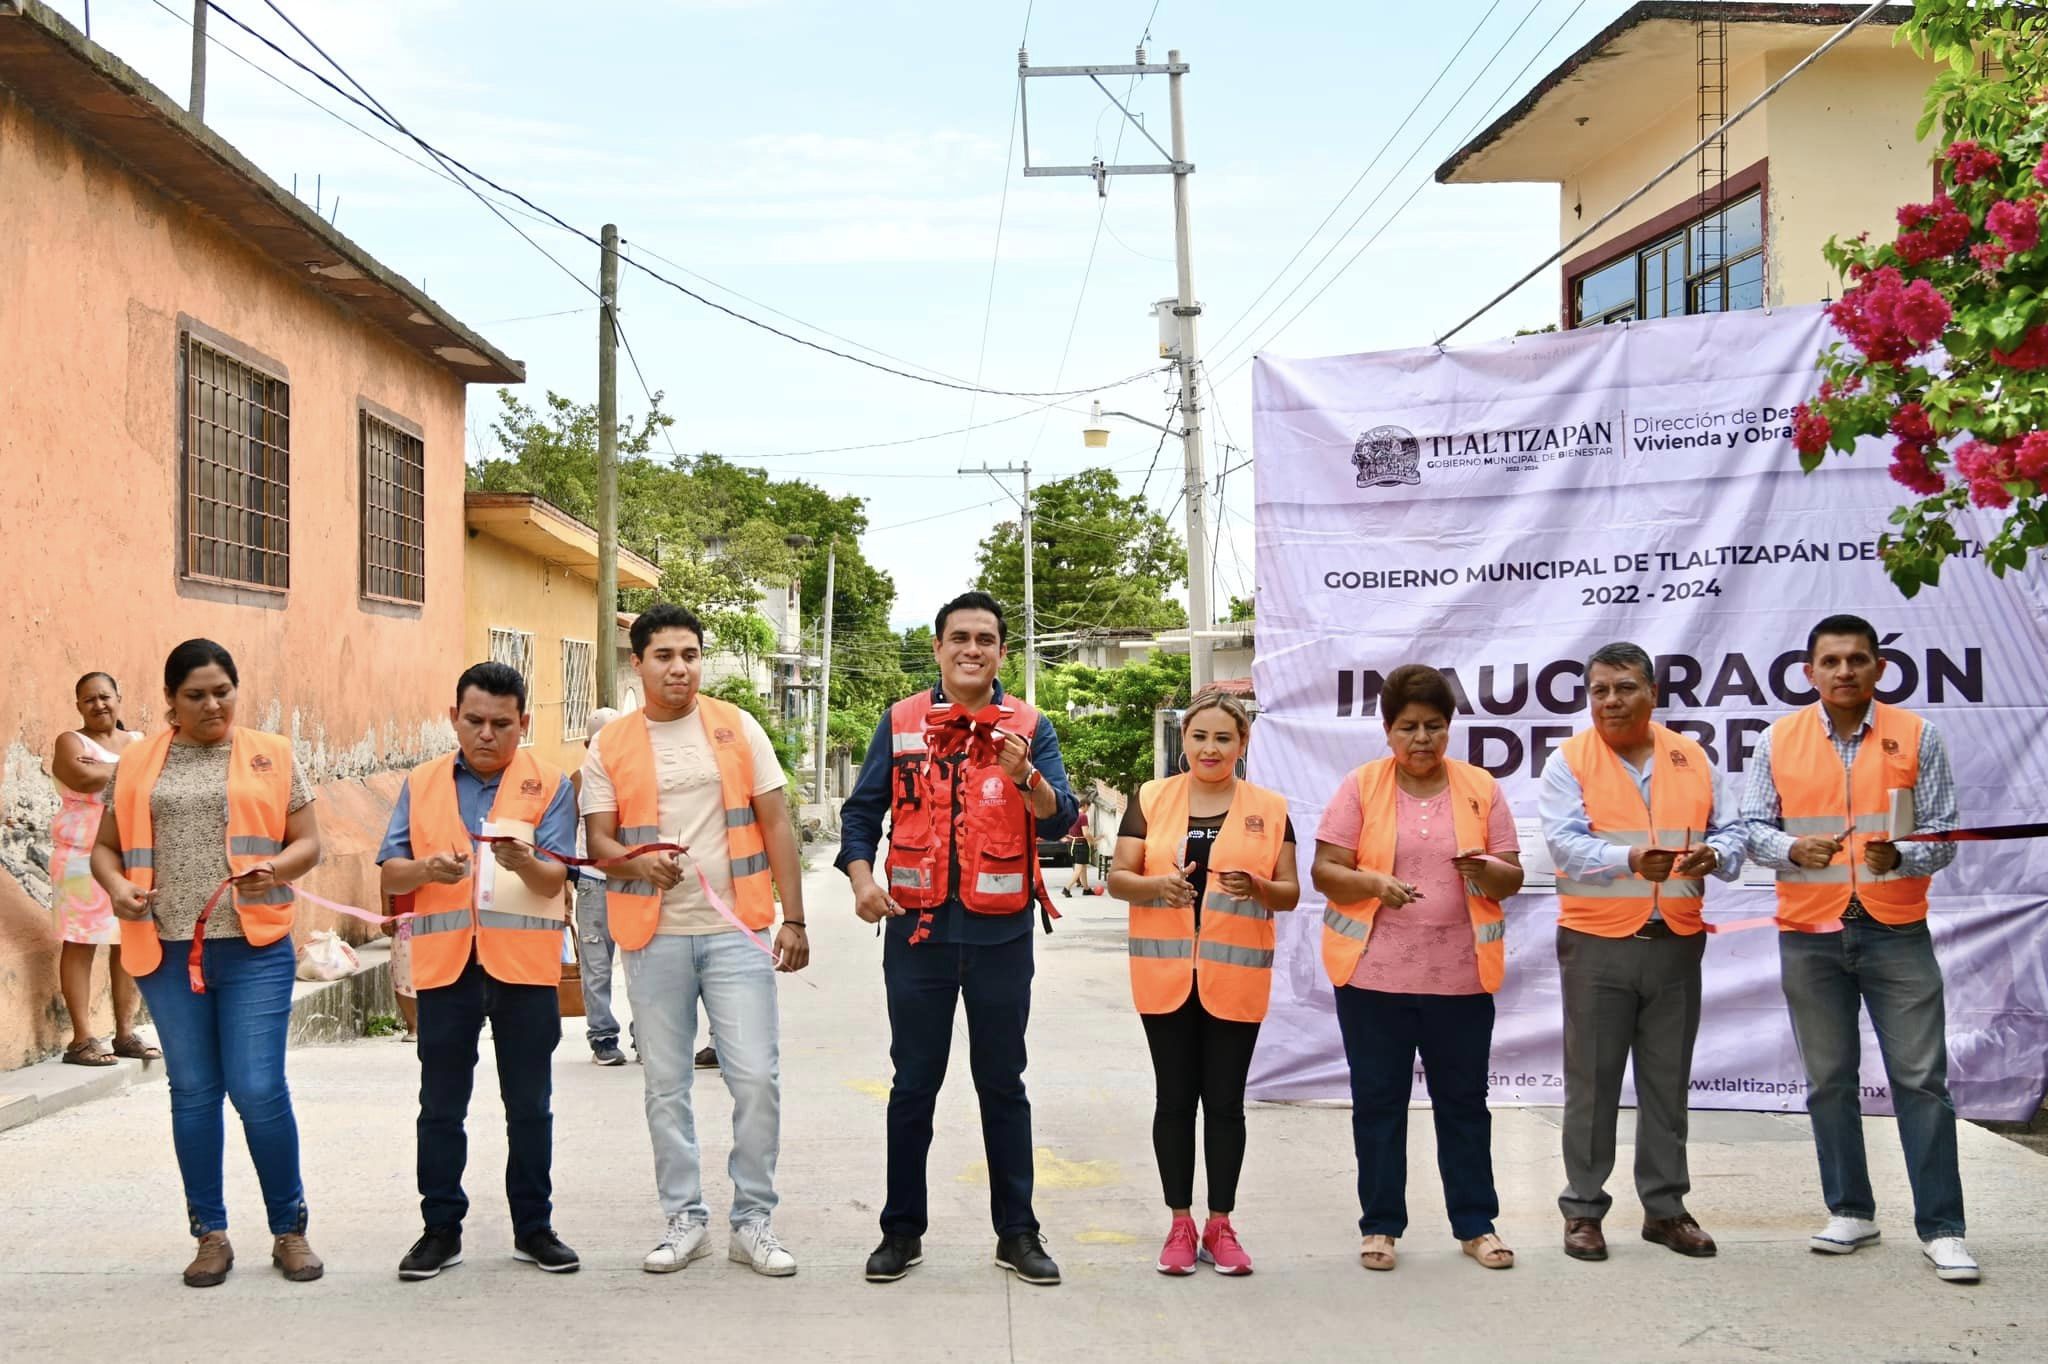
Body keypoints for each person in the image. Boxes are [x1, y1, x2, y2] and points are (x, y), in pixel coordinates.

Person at [838, 590, 1078, 1287]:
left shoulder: (1029, 725)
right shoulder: (902, 721)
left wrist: (1024, 774)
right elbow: (861, 813)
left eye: (986, 639)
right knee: (913, 1085)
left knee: (1002, 1084)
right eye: (959, 638)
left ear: (1003, 652)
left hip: (1001, 936)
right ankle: (900, 1232)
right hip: (917, 935)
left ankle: (1019, 1233)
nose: (972, 649)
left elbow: (1061, 820)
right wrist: (860, 880)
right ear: (938, 648)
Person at [1741, 613, 1973, 1283]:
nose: (1845, 671)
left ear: (1879, 668)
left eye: (1857, 660)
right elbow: (1752, 828)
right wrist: (1789, 847)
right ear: (1810, 671)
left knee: (1922, 1081)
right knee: (1829, 1081)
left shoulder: (1917, 736)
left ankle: (1943, 1228)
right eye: (1831, 661)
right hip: (1809, 932)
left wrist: (1899, 854)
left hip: (1894, 930)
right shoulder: (1776, 739)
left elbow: (1942, 838)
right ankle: (1850, 1209)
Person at [583, 604, 811, 1277]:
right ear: (639, 662)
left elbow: (776, 825)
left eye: (689, 654)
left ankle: (753, 1221)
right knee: (665, 1083)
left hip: (736, 929)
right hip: (652, 936)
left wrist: (792, 919)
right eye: (664, 656)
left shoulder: (736, 728)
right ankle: (686, 1220)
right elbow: (598, 839)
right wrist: (633, 864)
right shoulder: (611, 745)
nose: (678, 667)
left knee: (755, 1079)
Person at [90, 639, 324, 1288]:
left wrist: (276, 866)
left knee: (256, 1088)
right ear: (170, 701)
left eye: (222, 690)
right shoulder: (137, 763)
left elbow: (310, 841)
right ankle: (210, 1235)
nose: (211, 703)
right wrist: (117, 888)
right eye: (195, 694)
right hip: (163, 954)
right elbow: (105, 850)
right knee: (193, 1092)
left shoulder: (271, 755)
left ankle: (289, 1230)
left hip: (254, 951)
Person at [1309, 664, 1524, 1273]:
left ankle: (1476, 1224)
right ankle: (1380, 1226)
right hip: (1372, 981)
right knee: (1378, 1104)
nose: (1421, 739)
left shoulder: (1481, 786)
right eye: (1408, 727)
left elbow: (1512, 874)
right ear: (1387, 730)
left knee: (1464, 1104)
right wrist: (1373, 882)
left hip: (1460, 979)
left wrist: (1485, 869)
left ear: (1450, 727)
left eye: (1434, 726)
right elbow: (1325, 870)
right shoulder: (1361, 786)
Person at [1539, 641, 1746, 1264]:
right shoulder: (1568, 761)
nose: (1610, 700)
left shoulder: (1692, 757)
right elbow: (1564, 845)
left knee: (1666, 1084)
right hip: (1597, 944)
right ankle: (1583, 1210)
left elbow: (1732, 832)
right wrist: (1626, 858)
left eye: (1624, 687)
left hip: (1676, 944)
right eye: (1599, 690)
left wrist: (1720, 854)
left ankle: (1665, 1209)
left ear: (1653, 694)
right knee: (1593, 1084)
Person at [378, 662, 582, 1281]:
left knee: (529, 1106)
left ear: (523, 723)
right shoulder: (421, 782)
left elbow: (557, 878)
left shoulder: (550, 784)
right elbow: (390, 872)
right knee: (440, 1106)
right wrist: (426, 872)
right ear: (453, 719)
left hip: (523, 969)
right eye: (474, 721)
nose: (486, 734)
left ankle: (534, 1228)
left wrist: (524, 861)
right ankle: (440, 1229)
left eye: (501, 723)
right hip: (447, 968)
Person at [1108, 691, 1298, 1276]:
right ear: (1184, 741)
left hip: (1234, 978)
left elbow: (1289, 892)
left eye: (1224, 738)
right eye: (1200, 737)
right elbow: (1118, 878)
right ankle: (1179, 1223)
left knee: (1224, 1104)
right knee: (1173, 1101)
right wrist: (1155, 888)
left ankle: (1221, 1224)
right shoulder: (1149, 799)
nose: (1210, 748)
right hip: (1164, 975)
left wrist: (1258, 888)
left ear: (1242, 746)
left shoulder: (1270, 807)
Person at [50, 671, 154, 1066]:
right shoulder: (70, 742)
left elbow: (108, 777)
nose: (99, 705)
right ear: (78, 705)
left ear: (119, 697)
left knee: (128, 939)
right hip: (80, 855)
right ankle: (81, 1040)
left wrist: (108, 771)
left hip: (132, 856)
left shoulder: (140, 741)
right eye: (89, 699)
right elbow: (79, 775)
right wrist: (133, 771)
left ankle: (125, 1033)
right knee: (80, 941)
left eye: (105, 696)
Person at [570, 705, 631, 1066]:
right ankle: (603, 1038)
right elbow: (565, 831)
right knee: (596, 964)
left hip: (634, 882)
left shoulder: (637, 774)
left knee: (643, 963)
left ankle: (646, 1035)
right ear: (587, 743)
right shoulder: (578, 779)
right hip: (592, 883)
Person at [1062, 798, 1100, 898]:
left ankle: (1086, 889)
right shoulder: (1083, 816)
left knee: (1083, 868)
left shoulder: (1072, 815)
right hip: (1081, 845)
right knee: (1079, 869)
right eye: (1088, 807)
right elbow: (1086, 833)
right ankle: (1067, 888)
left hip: (1072, 844)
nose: (1088, 809)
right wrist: (1093, 841)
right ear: (1084, 806)